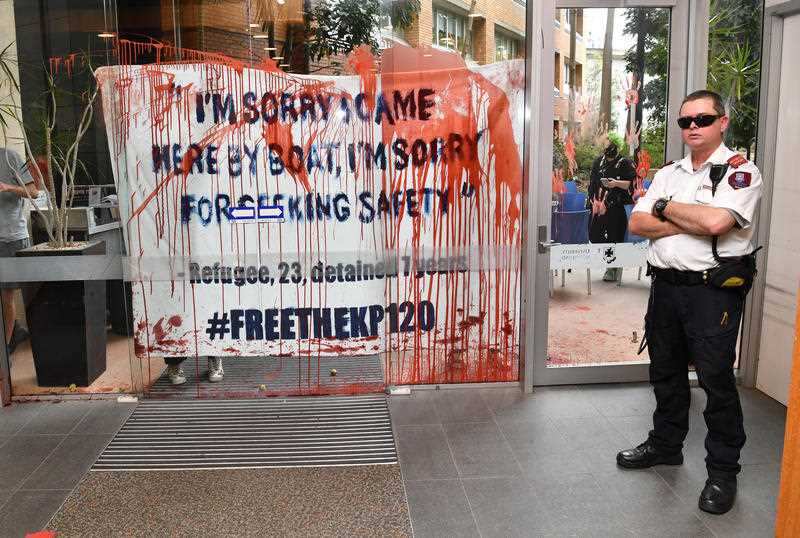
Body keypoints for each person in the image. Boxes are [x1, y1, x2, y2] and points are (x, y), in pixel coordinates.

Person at [617, 90, 763, 515]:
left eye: (702, 118)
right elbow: (638, 222)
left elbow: (719, 222)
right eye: (685, 121)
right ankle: (665, 446)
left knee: (716, 382)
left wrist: (665, 209)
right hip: (665, 288)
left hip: (710, 291)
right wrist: (685, 217)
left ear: (723, 121)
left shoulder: (740, 172)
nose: (693, 127)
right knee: (665, 372)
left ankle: (722, 472)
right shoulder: (670, 172)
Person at [0, 147, 38, 354]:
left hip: (10, 238)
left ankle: (5, 351)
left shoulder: (9, 157)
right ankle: (15, 332)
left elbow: (33, 192)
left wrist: (8, 187)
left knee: (6, 296)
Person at [587, 137, 637, 281]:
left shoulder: (625, 163)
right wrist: (593, 201)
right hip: (599, 205)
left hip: (617, 205)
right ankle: (610, 262)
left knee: (615, 236)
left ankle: (612, 267)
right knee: (596, 235)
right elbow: (592, 183)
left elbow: (631, 184)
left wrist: (615, 183)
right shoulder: (598, 162)